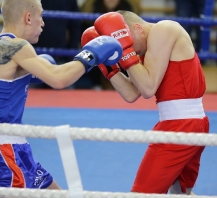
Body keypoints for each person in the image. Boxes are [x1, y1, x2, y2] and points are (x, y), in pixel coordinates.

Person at [0, 0, 122, 189]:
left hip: (9, 148)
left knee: (55, 193)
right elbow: (58, 79)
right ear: (28, 17)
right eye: (41, 16)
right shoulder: (17, 46)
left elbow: (0, 89)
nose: (43, 23)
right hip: (3, 152)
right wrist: (92, 54)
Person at [88, 11, 209, 195]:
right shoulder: (147, 52)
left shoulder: (164, 29)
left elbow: (148, 88)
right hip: (186, 124)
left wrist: (127, 53)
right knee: (181, 193)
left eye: (125, 44)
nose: (126, 51)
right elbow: (131, 94)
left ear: (137, 28)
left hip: (180, 127)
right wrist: (107, 66)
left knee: (141, 195)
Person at [80, 0, 135, 90]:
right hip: (99, 54)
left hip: (121, 52)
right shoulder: (93, 12)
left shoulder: (128, 14)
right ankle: (96, 84)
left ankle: (126, 85)